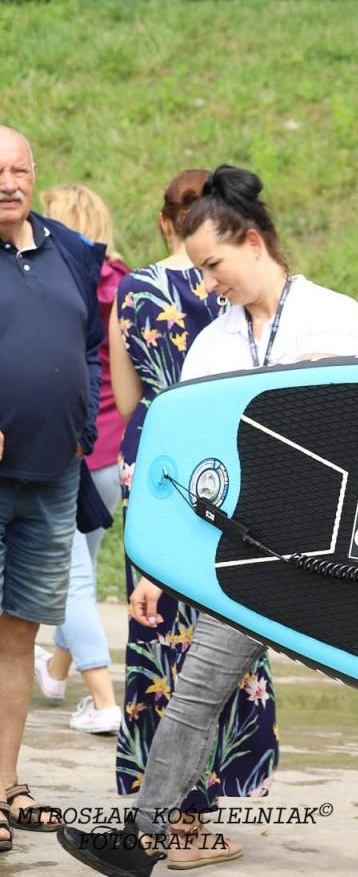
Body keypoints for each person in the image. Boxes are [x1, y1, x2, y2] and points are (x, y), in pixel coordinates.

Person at [55, 166, 358, 877]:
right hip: (253, 561)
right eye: (200, 270)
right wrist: (159, 567)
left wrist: (312, 388)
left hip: (343, 555)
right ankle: (143, 839)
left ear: (253, 241)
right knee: (193, 698)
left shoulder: (335, 315)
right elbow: (195, 470)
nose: (210, 283)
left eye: (215, 265)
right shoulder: (213, 346)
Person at [106, 168, 280, 865]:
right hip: (228, 482)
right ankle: (186, 823)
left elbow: (124, 402)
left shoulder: (132, 289)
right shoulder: (226, 307)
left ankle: (163, 817)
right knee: (217, 652)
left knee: (161, 649)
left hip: (156, 467)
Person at [0, 126, 105, 851]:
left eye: (18, 168)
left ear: (35, 174)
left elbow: (90, 344)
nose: (8, 181)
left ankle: (6, 785)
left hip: (53, 473)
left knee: (19, 641)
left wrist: (79, 415)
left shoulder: (70, 248)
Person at [33, 183, 130, 736]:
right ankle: (56, 670)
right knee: (82, 572)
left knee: (70, 583)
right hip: (113, 457)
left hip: (70, 447)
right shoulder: (125, 286)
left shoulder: (54, 282)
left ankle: (101, 698)